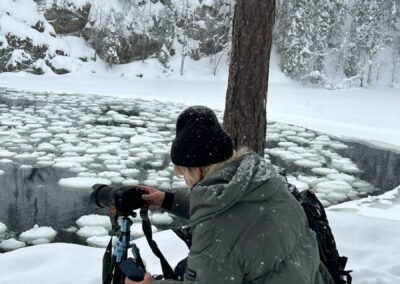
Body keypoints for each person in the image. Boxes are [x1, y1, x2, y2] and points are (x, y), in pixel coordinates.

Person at [126, 106, 334, 284]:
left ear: (197, 170)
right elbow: (229, 208)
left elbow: (224, 223)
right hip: (307, 277)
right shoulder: (262, 180)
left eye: (184, 174)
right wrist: (167, 200)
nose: (186, 182)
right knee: (185, 267)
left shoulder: (217, 230)